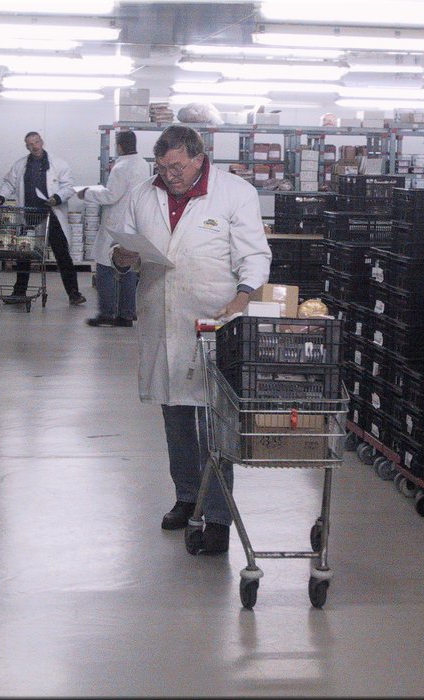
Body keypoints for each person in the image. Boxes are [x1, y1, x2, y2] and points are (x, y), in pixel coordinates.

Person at [111, 125, 271, 554]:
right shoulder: (143, 194)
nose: (170, 176)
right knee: (175, 413)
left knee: (215, 424)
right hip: (162, 315)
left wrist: (242, 298)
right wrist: (122, 258)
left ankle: (217, 517)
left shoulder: (234, 193)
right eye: (163, 168)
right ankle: (186, 497)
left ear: (200, 158)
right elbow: (122, 249)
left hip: (214, 320)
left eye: (178, 167)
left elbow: (255, 255)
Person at [0, 131, 86, 305]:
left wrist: (56, 198)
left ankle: (74, 293)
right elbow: (9, 183)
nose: (34, 146)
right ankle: (19, 293)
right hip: (28, 215)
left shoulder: (59, 164)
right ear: (26, 147)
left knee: (62, 255)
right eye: (29, 144)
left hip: (52, 215)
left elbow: (69, 187)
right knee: (24, 255)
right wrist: (0, 197)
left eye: (36, 142)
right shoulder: (20, 165)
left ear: (42, 142)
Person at [76, 130, 151, 327]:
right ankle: (126, 314)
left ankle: (107, 313)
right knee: (128, 267)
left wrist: (87, 193)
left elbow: (110, 196)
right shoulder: (143, 164)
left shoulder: (121, 167)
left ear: (119, 146)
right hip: (134, 222)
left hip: (115, 223)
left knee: (104, 267)